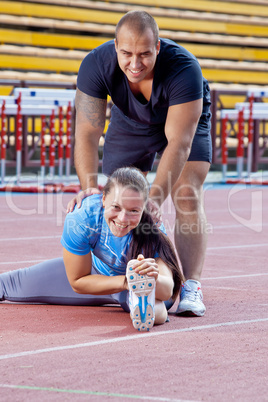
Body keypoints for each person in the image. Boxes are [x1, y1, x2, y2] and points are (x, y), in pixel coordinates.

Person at [68, 10, 212, 316]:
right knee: (118, 198)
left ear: (158, 47)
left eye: (145, 54)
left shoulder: (184, 69)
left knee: (186, 192)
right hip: (131, 119)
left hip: (183, 118)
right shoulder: (96, 64)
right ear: (115, 47)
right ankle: (133, 276)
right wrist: (90, 187)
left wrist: (155, 198)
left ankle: (190, 286)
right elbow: (86, 133)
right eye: (127, 54)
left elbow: (180, 143)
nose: (135, 64)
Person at [0, 167, 183, 331]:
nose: (122, 218)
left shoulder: (153, 227)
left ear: (145, 208)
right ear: (103, 199)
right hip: (97, 274)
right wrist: (125, 281)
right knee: (8, 284)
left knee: (156, 301)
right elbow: (78, 281)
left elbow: (168, 291)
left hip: (139, 286)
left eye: (134, 211)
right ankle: (146, 305)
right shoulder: (83, 216)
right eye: (116, 207)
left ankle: (145, 306)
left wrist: (153, 277)